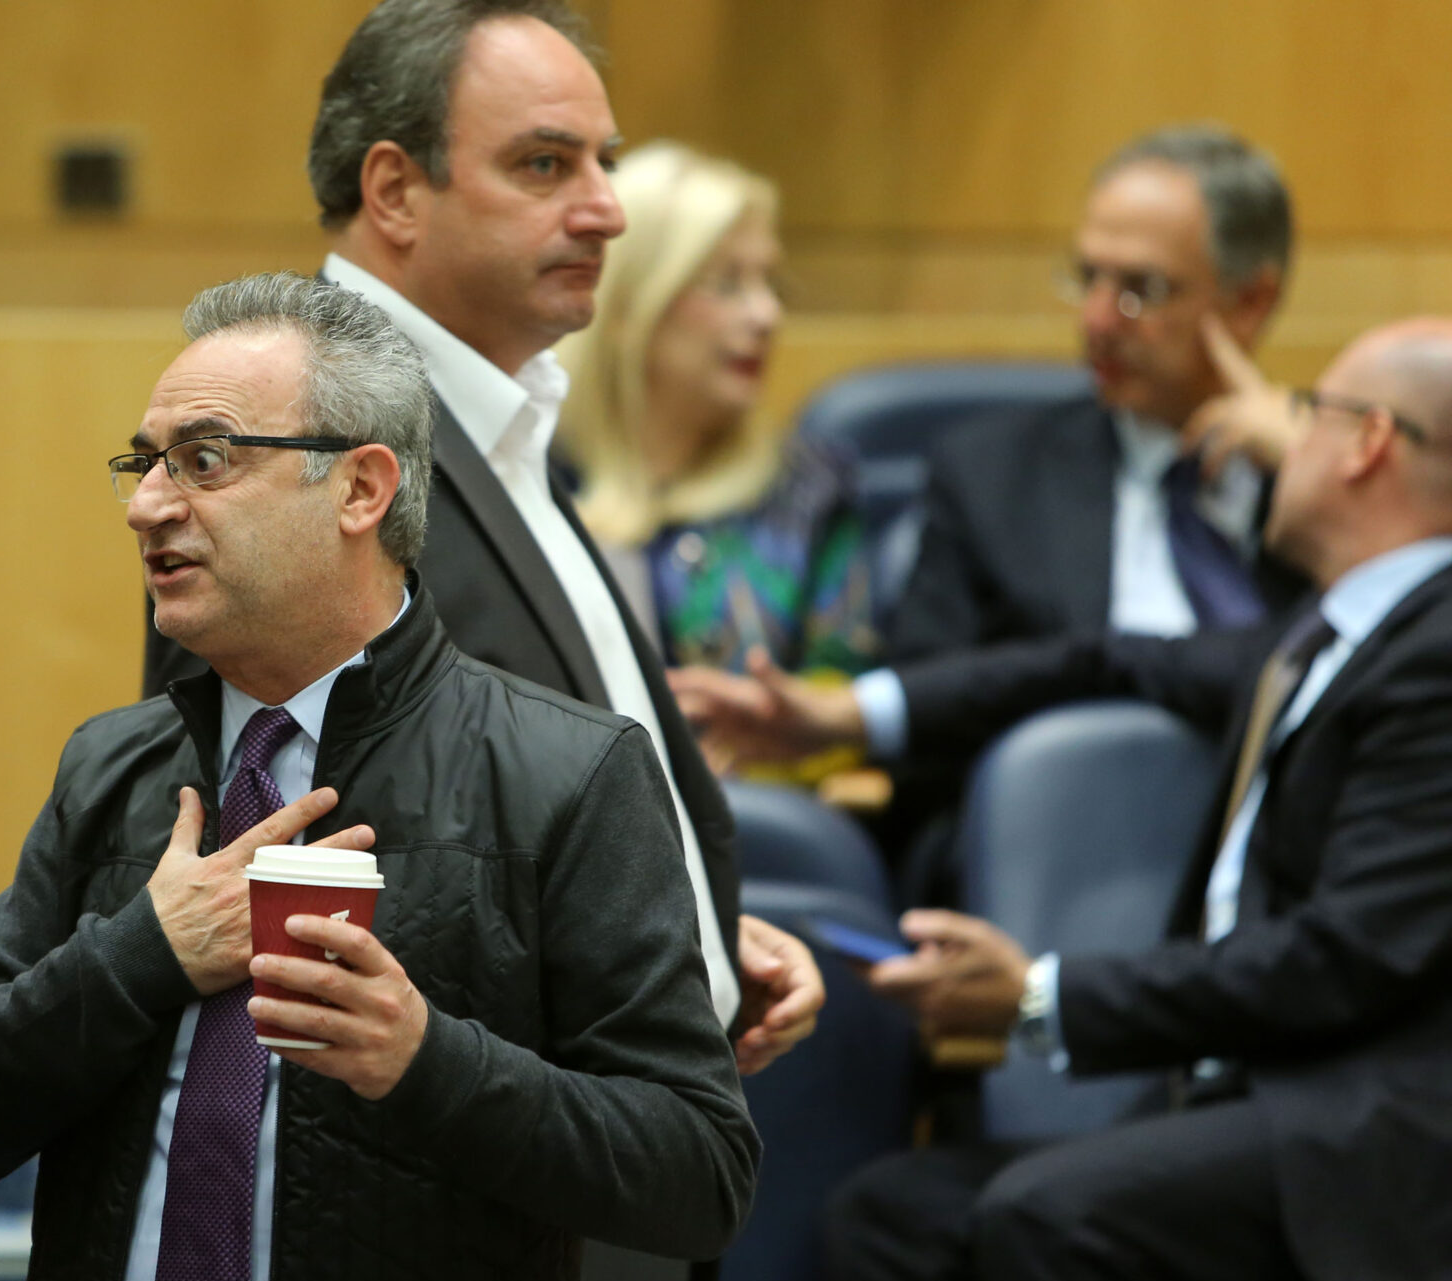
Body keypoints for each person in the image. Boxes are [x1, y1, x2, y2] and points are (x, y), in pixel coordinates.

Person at [0, 272, 760, 1281]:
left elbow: (697, 1174)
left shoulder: (568, 773)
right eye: (146, 463)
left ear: (361, 488)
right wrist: (142, 954)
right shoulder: (111, 767)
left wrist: (424, 1059)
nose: (147, 505)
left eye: (205, 461)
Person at [674, 317, 1452, 1281]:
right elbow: (1097, 658)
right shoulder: (1326, 636)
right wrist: (844, 715)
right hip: (1259, 1112)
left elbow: (1344, 957)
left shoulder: (1436, 652)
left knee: (1052, 1220)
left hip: (1381, 1143)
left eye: (1309, 411)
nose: (1281, 433)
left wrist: (1039, 997)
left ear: (1367, 443)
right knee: (891, 1223)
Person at [140, 0, 822, 1078]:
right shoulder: (297, 434)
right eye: (545, 165)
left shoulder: (496, 412)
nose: (606, 211)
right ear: (394, 191)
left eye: (605, 163)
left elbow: (522, 799)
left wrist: (691, 934)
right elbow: (283, 848)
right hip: (461, 1143)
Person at [890, 123, 1308, 664]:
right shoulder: (991, 476)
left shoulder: (1334, 477)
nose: (1096, 320)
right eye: (1089, 278)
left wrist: (1310, 469)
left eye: (1141, 289)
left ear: (1251, 302)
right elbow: (921, 694)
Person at [555, 140, 877, 682]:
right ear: (628, 309)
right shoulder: (530, 476)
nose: (767, 315)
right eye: (726, 284)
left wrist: (782, 717)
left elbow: (844, 691)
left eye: (770, 283)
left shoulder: (810, 487)